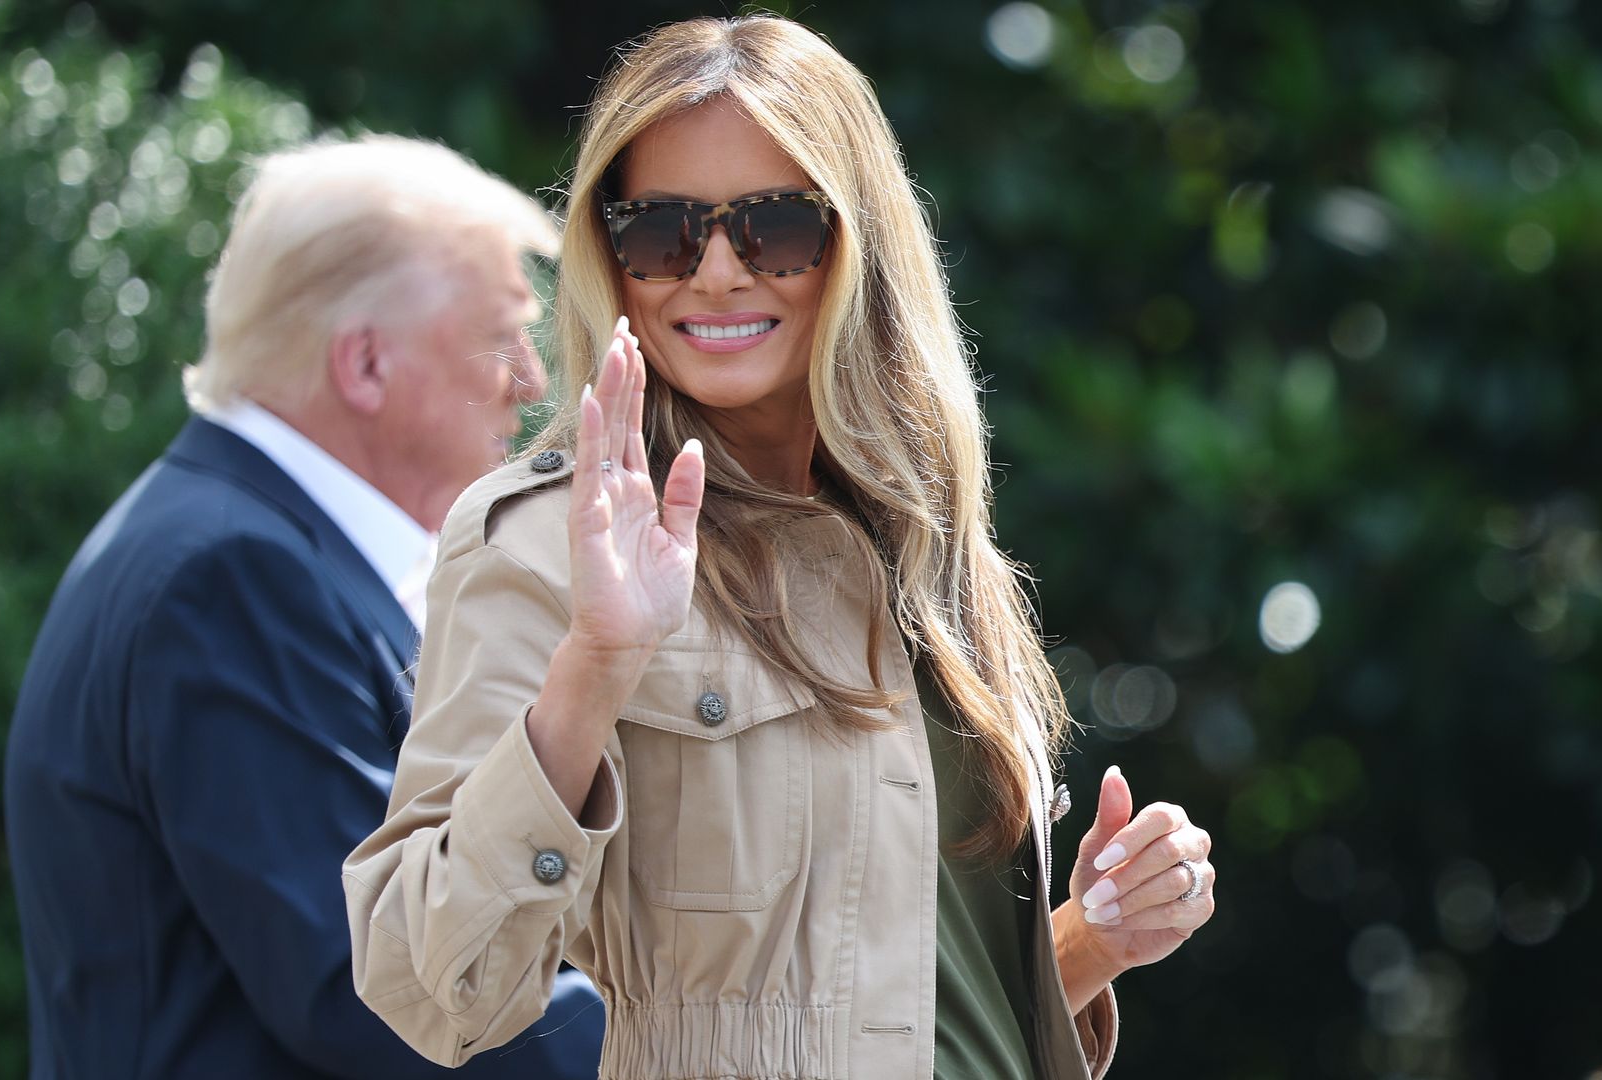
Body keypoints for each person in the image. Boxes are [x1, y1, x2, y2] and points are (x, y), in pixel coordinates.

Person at [344, 17, 1218, 1080]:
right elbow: (430, 988)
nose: (714, 272)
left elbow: (892, 1000)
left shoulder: (928, 542)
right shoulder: (555, 542)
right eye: (661, 232)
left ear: (857, 246)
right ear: (611, 259)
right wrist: (596, 665)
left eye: (775, 228)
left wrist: (1091, 942)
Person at [4, 134, 605, 1079]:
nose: (531, 383)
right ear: (364, 365)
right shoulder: (231, 581)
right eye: (499, 338)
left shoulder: (230, 550)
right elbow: (387, 992)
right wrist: (693, 1047)